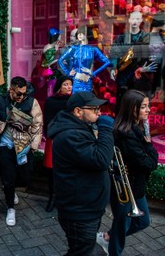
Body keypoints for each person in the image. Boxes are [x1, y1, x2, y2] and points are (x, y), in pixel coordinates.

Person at [47, 91, 114, 255]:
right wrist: (105, 128)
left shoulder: (79, 127)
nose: (99, 113)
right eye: (94, 109)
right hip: (80, 213)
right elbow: (100, 159)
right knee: (80, 251)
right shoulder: (70, 135)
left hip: (88, 207)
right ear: (78, 111)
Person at [96, 89, 159, 256]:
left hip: (135, 186)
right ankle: (113, 249)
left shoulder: (136, 127)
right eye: (144, 107)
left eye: (148, 106)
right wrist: (148, 145)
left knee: (143, 221)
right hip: (125, 188)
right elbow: (149, 163)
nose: (148, 110)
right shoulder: (127, 134)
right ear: (133, 109)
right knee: (123, 225)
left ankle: (107, 237)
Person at [0, 76, 43, 226]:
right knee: (8, 179)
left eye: (24, 93)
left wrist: (33, 147)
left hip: (24, 148)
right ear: (11, 90)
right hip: (5, 146)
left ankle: (11, 189)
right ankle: (10, 208)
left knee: (25, 178)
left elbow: (37, 125)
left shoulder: (31, 102)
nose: (22, 97)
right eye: (18, 94)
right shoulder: (1, 101)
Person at [109, 11, 153, 113]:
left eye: (138, 19)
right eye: (133, 18)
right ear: (129, 20)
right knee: (122, 103)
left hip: (139, 75)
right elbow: (114, 53)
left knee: (138, 103)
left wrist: (143, 68)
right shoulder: (121, 37)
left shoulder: (146, 37)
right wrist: (113, 67)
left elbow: (149, 55)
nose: (135, 21)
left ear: (141, 21)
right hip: (123, 74)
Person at [42, 76, 73, 212]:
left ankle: (65, 200)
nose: (69, 87)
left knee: (68, 170)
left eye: (70, 84)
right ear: (59, 86)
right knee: (52, 171)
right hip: (54, 138)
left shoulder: (74, 102)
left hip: (70, 139)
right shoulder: (51, 101)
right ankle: (52, 197)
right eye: (66, 84)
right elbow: (47, 120)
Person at [58, 26, 112, 93]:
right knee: (76, 100)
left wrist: (93, 73)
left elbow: (107, 62)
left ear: (87, 34)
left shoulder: (93, 49)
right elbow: (60, 60)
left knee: (87, 101)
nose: (79, 35)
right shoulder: (74, 48)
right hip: (76, 81)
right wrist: (68, 72)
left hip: (87, 80)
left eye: (82, 33)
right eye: (78, 33)